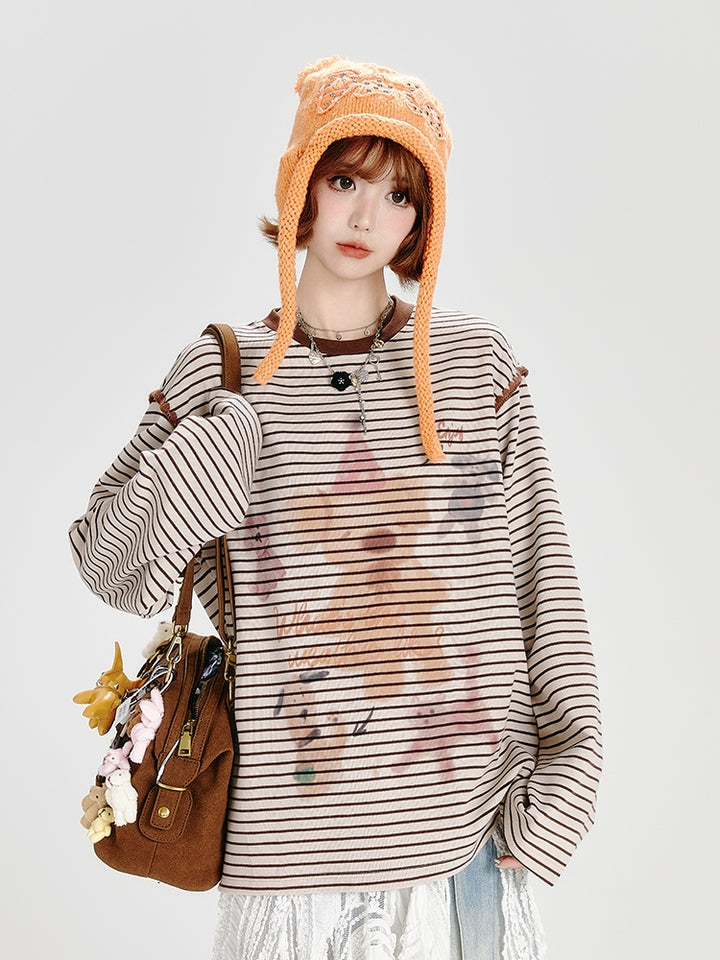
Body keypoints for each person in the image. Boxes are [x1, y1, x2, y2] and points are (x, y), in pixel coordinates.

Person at [69, 56, 602, 960]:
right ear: (302, 183)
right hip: (290, 870)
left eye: (399, 196)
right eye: (346, 180)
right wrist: (219, 443)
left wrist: (572, 775)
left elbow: (540, 576)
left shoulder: (474, 366)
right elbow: (108, 568)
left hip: (470, 851)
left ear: (423, 219)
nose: (365, 219)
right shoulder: (223, 370)